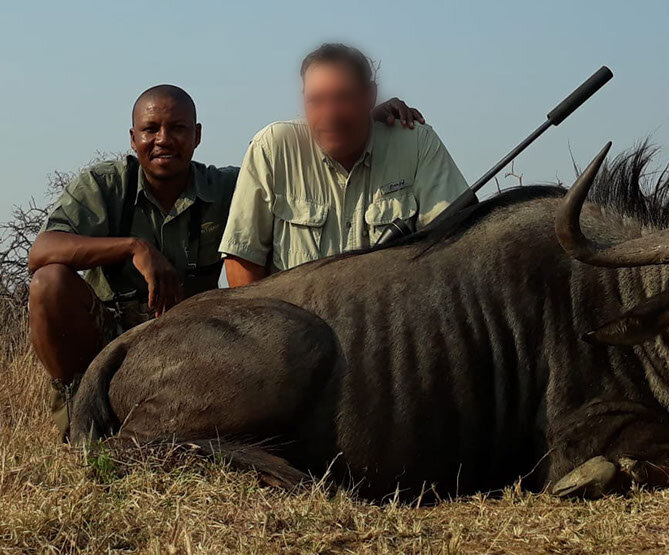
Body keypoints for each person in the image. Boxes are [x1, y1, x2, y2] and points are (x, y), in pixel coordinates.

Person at [28, 84, 426, 436]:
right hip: (110, 334)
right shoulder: (105, 185)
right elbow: (42, 251)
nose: (164, 139)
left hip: (187, 342)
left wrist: (355, 118)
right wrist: (135, 248)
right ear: (133, 139)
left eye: (178, 128)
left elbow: (301, 161)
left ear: (197, 136)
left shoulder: (228, 186)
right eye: (151, 129)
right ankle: (76, 406)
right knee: (48, 284)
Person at [220, 43, 468, 285]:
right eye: (316, 100)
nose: (330, 115)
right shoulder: (272, 148)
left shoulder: (415, 143)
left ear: (370, 95)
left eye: (343, 98)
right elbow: (242, 260)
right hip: (294, 323)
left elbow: (458, 244)